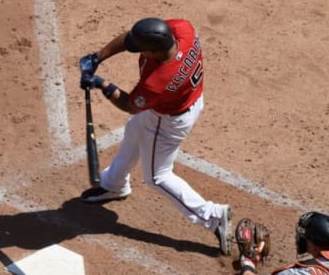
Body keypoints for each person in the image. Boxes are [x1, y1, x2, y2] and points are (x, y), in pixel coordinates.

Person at [78, 17, 232, 255]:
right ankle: (114, 184)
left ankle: (212, 216)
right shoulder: (183, 30)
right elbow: (133, 36)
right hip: (186, 101)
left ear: (154, 52)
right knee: (134, 130)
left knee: (157, 176)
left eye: (141, 50)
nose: (137, 51)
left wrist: (101, 83)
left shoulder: (158, 81)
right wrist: (97, 57)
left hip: (168, 119)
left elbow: (130, 104)